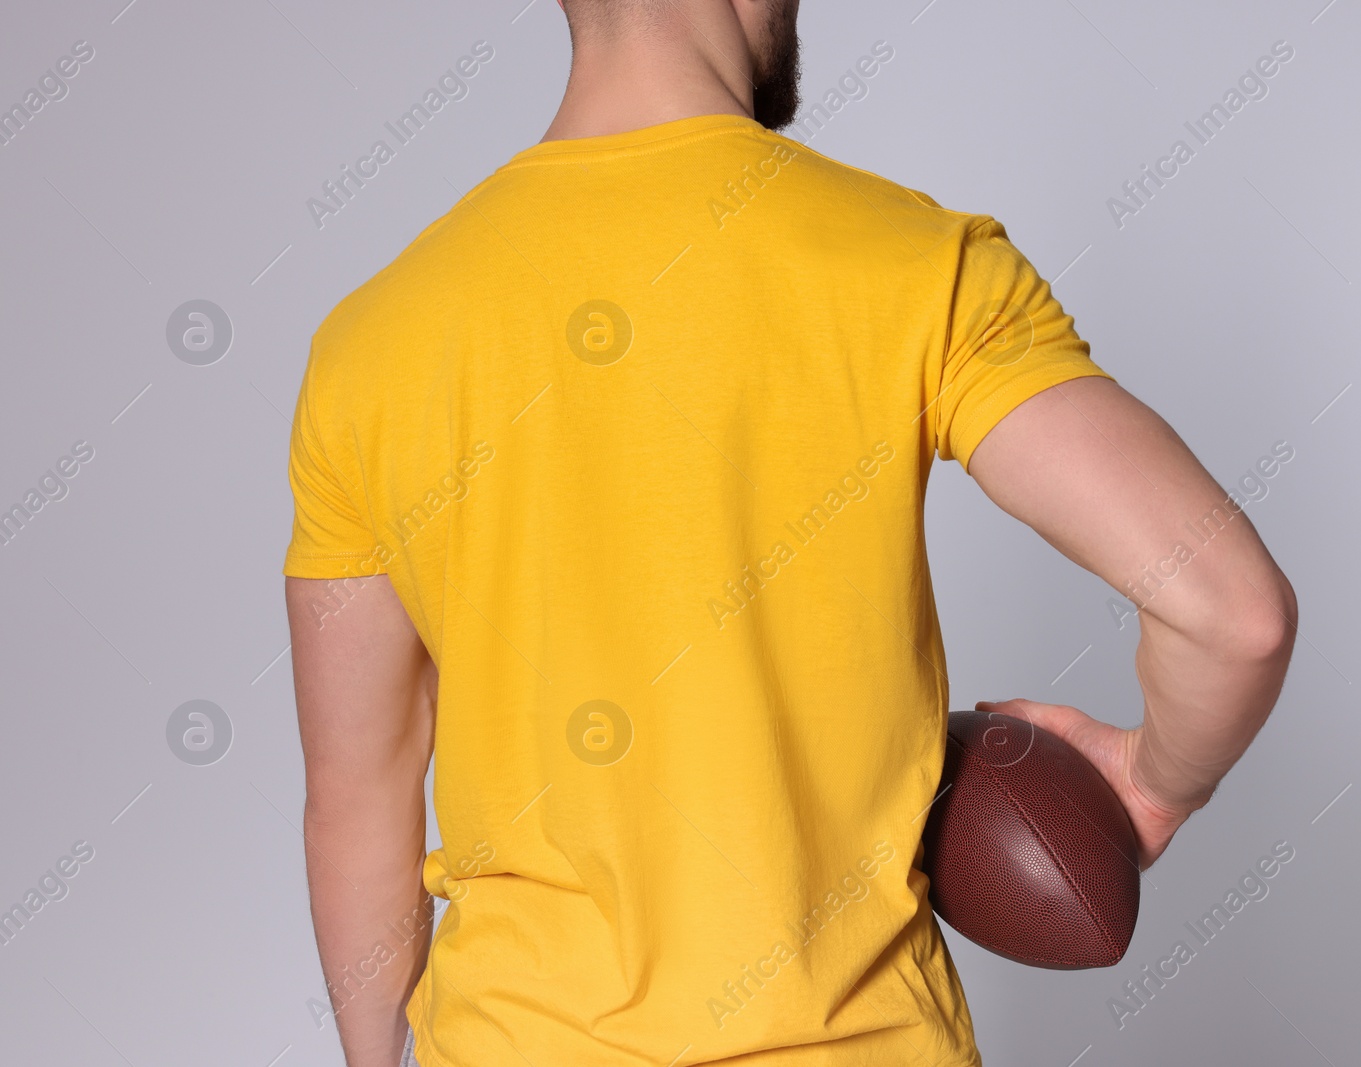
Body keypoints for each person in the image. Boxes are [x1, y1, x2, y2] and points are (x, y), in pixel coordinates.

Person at [282, 1, 1297, 1064]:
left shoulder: (370, 343)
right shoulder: (916, 265)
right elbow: (1235, 617)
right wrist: (1152, 780)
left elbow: (358, 797)